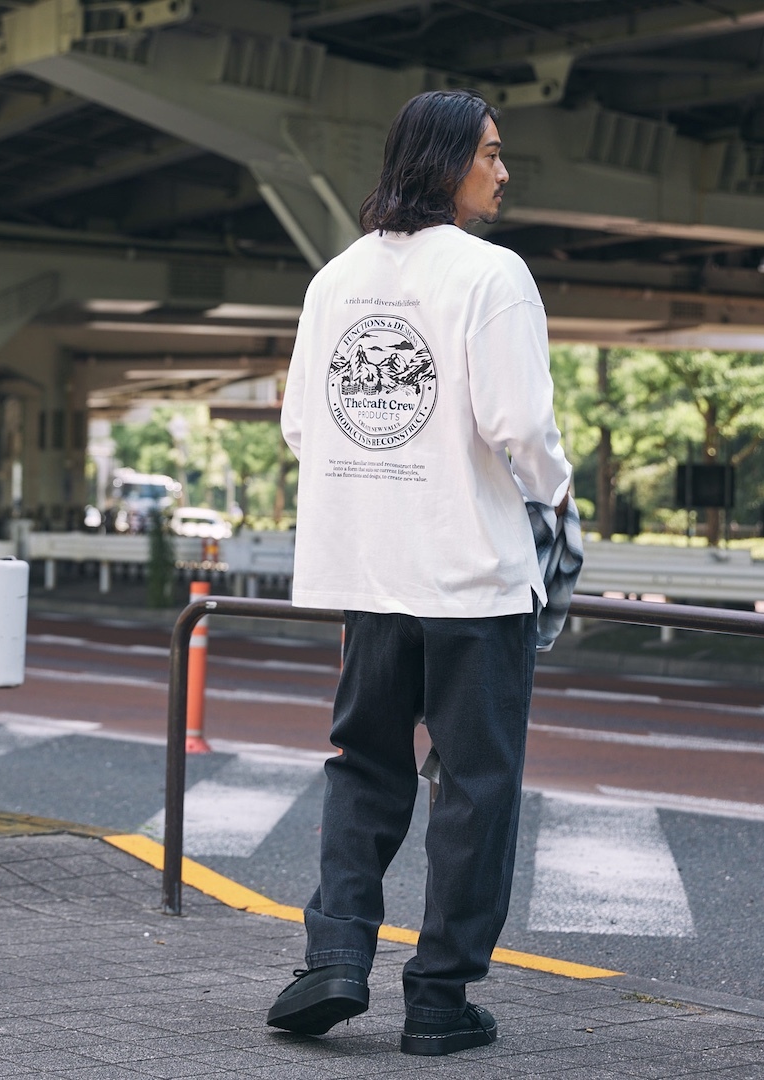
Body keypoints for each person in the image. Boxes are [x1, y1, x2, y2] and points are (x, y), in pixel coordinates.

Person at [267, 88, 572, 1058]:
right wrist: (557, 494)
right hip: (472, 575)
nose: (503, 172)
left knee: (364, 766)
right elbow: (520, 427)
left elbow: (302, 425)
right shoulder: (491, 274)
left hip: (368, 568)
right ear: (446, 162)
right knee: (474, 786)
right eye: (490, 154)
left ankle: (335, 957)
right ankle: (439, 999)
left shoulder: (335, 279)